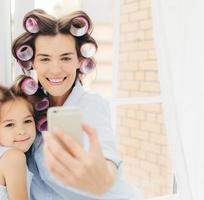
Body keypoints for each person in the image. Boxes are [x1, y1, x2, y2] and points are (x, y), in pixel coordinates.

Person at [11, 9, 142, 199]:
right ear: (32, 62)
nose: (55, 70)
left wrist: (103, 176)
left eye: (65, 58)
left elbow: (107, 157)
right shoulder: (28, 108)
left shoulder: (92, 105)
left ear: (79, 61)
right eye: (45, 58)